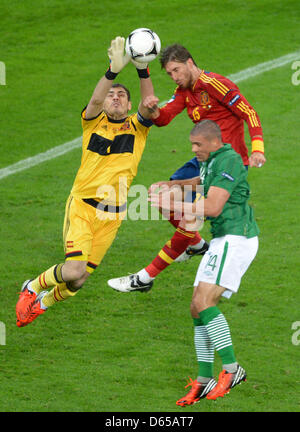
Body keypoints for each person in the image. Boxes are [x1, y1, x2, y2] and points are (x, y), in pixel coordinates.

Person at [15, 36, 155, 327]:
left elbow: (150, 104)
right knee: (72, 269)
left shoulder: (137, 128)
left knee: (79, 280)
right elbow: (93, 100)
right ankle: (32, 287)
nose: (115, 97)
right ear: (104, 102)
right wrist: (111, 72)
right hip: (82, 207)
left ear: (129, 104)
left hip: (112, 215)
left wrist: (143, 69)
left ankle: (42, 303)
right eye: (111, 95)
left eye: (121, 96)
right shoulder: (93, 121)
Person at [107, 43, 265, 293]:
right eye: (170, 74)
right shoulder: (183, 91)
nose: (174, 77)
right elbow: (164, 118)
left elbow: (249, 112)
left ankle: (144, 278)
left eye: (176, 70)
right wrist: (152, 109)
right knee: (162, 197)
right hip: (202, 160)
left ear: (189, 63)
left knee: (189, 217)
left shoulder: (215, 84)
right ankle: (196, 245)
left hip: (226, 164)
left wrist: (257, 148)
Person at [152, 120, 259, 403]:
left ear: (214, 141)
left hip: (237, 238)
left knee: (204, 303)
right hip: (223, 238)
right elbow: (202, 181)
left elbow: (212, 206)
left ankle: (232, 369)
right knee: (196, 308)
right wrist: (174, 184)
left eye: (198, 144)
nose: (193, 149)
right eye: (192, 144)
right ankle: (203, 380)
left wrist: (171, 203)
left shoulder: (230, 160)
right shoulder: (211, 160)